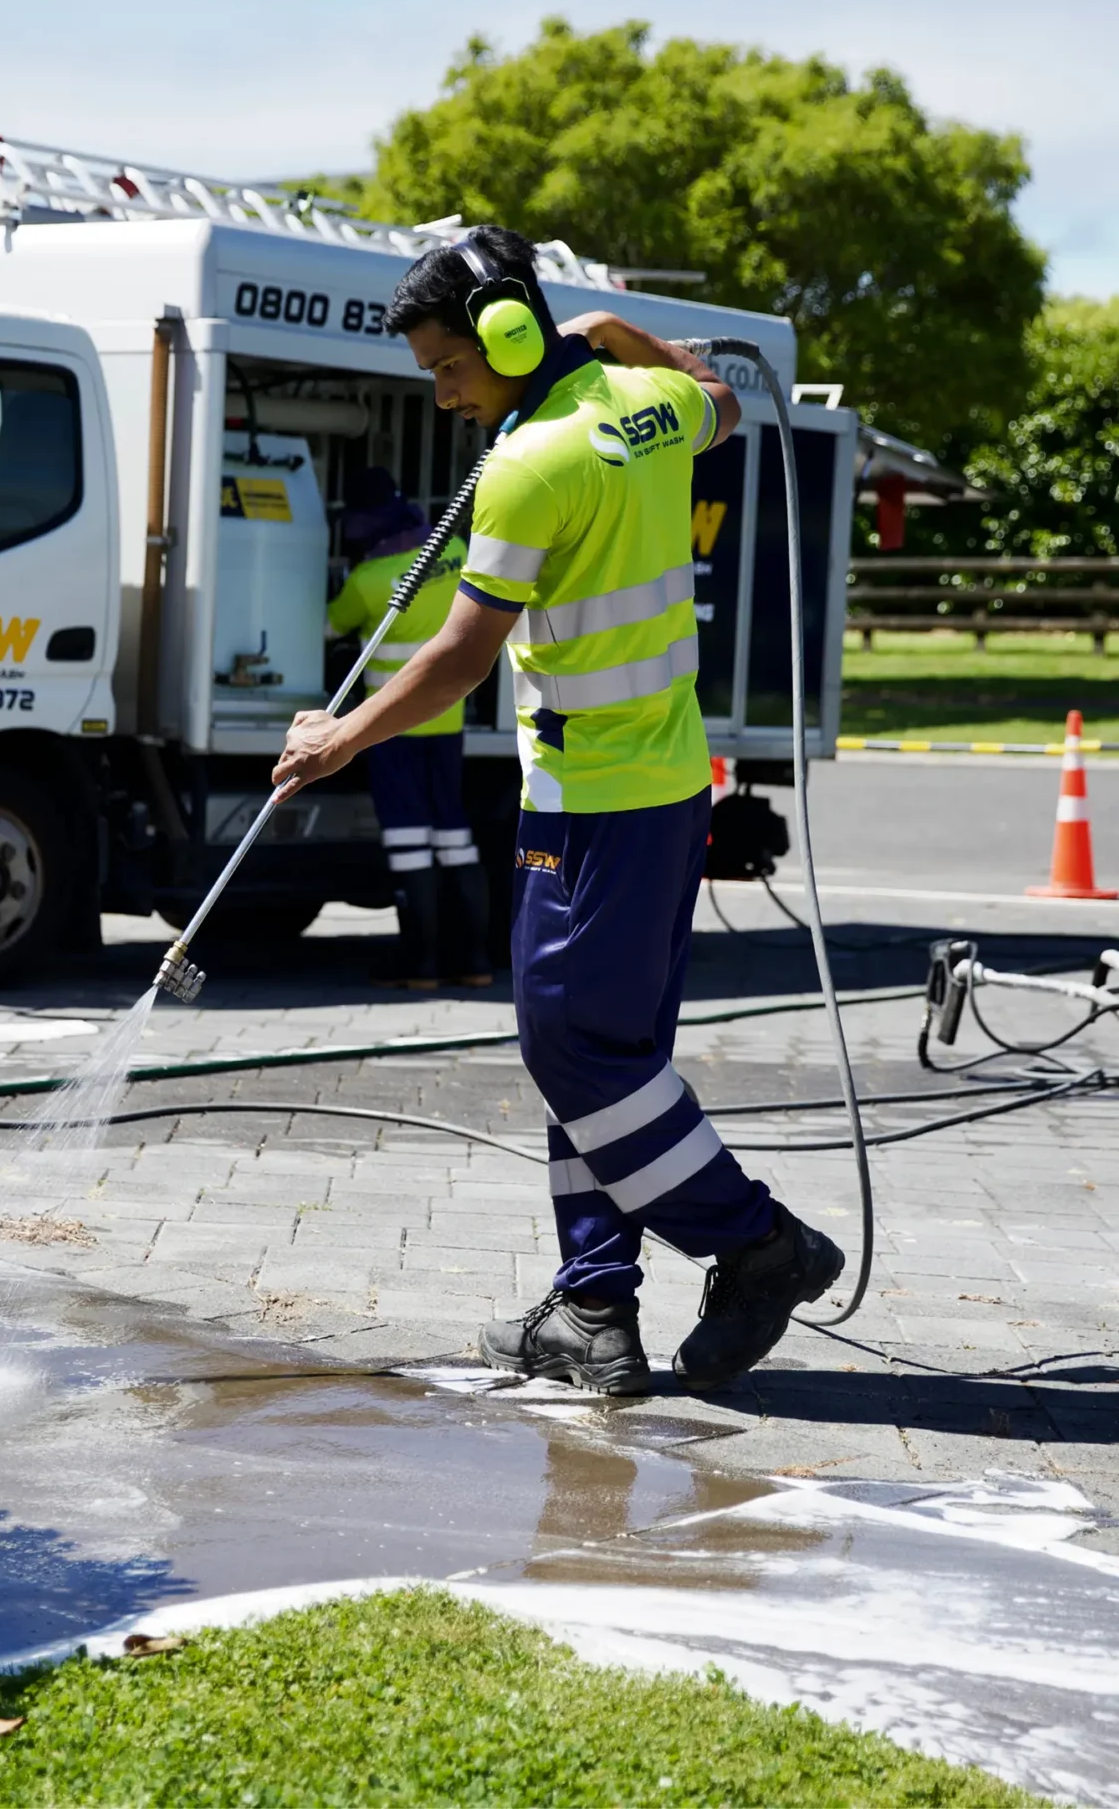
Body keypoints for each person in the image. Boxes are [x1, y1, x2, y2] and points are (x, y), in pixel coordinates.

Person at [272, 225, 843, 1396]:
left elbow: (457, 659)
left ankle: (758, 1243)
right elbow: (717, 398)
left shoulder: (529, 463)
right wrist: (614, 333)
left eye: (447, 367)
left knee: (569, 1045)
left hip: (591, 804)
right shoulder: (641, 403)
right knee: (608, 1053)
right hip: (664, 786)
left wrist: (339, 736)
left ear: (506, 334)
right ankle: (593, 1309)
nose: (441, 397)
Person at [327, 468, 491, 989]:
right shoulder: (456, 551)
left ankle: (419, 965)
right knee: (456, 838)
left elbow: (329, 625)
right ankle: (475, 964)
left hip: (391, 730)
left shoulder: (370, 582)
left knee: (406, 840)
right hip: (449, 720)